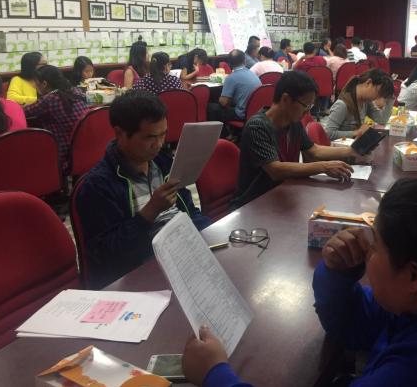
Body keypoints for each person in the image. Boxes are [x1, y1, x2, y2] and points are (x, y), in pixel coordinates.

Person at [182, 178, 417, 387]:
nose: (364, 250)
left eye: (375, 246)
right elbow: (356, 325)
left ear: (414, 275)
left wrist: (216, 376)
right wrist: (339, 276)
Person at [76, 90, 210, 289]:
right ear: (120, 134)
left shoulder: (163, 163)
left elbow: (189, 211)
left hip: (181, 256)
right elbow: (106, 254)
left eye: (163, 135)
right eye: (150, 137)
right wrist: (150, 211)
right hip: (139, 273)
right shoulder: (98, 185)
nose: (159, 144)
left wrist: (209, 234)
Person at [231, 72, 358, 207]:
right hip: (254, 202)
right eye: (305, 106)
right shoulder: (257, 126)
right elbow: (275, 170)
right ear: (285, 99)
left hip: (283, 192)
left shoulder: (293, 121)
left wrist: (351, 151)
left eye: (310, 107)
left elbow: (313, 150)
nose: (307, 112)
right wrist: (324, 166)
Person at [23, 65, 87, 170]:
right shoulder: (76, 91)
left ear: (44, 84)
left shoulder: (50, 99)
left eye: (36, 83)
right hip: (85, 147)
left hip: (64, 152)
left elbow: (24, 112)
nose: (34, 86)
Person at [324, 69, 394, 140]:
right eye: (378, 93)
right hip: (342, 145)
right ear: (368, 83)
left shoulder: (366, 102)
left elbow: (381, 120)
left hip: (355, 143)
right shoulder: (342, 105)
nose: (377, 97)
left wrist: (390, 99)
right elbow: (328, 134)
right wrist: (357, 132)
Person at [208, 49, 260, 122]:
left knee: (211, 107)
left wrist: (218, 98)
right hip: (256, 112)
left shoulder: (231, 78)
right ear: (244, 61)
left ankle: (221, 129)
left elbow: (223, 102)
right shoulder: (253, 74)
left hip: (241, 114)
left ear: (229, 63)